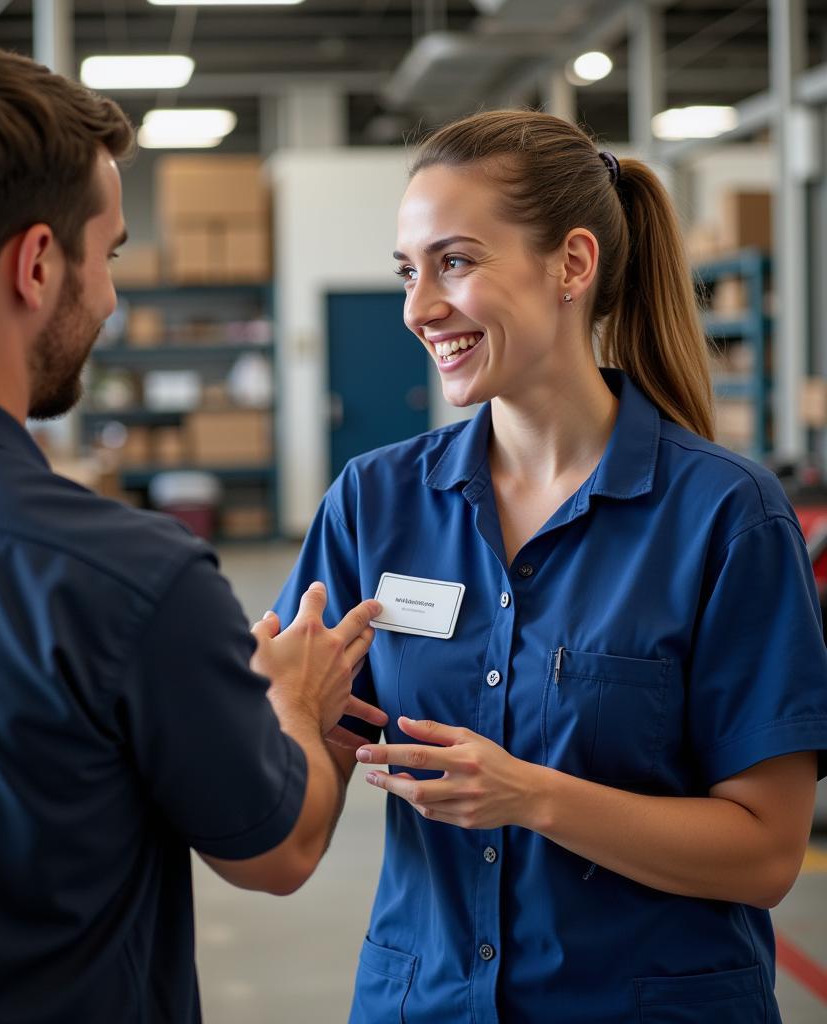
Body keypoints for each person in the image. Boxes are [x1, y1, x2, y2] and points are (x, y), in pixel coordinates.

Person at [0, 46, 385, 1024]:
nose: (111, 296)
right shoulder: (128, 576)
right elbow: (276, 848)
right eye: (108, 254)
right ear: (36, 263)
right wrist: (293, 702)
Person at [274, 109, 827, 1023]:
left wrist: (531, 796)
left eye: (455, 262)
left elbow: (767, 855)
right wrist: (276, 717)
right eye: (409, 272)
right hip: (424, 1002)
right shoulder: (372, 506)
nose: (419, 308)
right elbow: (300, 810)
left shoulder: (726, 517)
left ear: (572, 265)